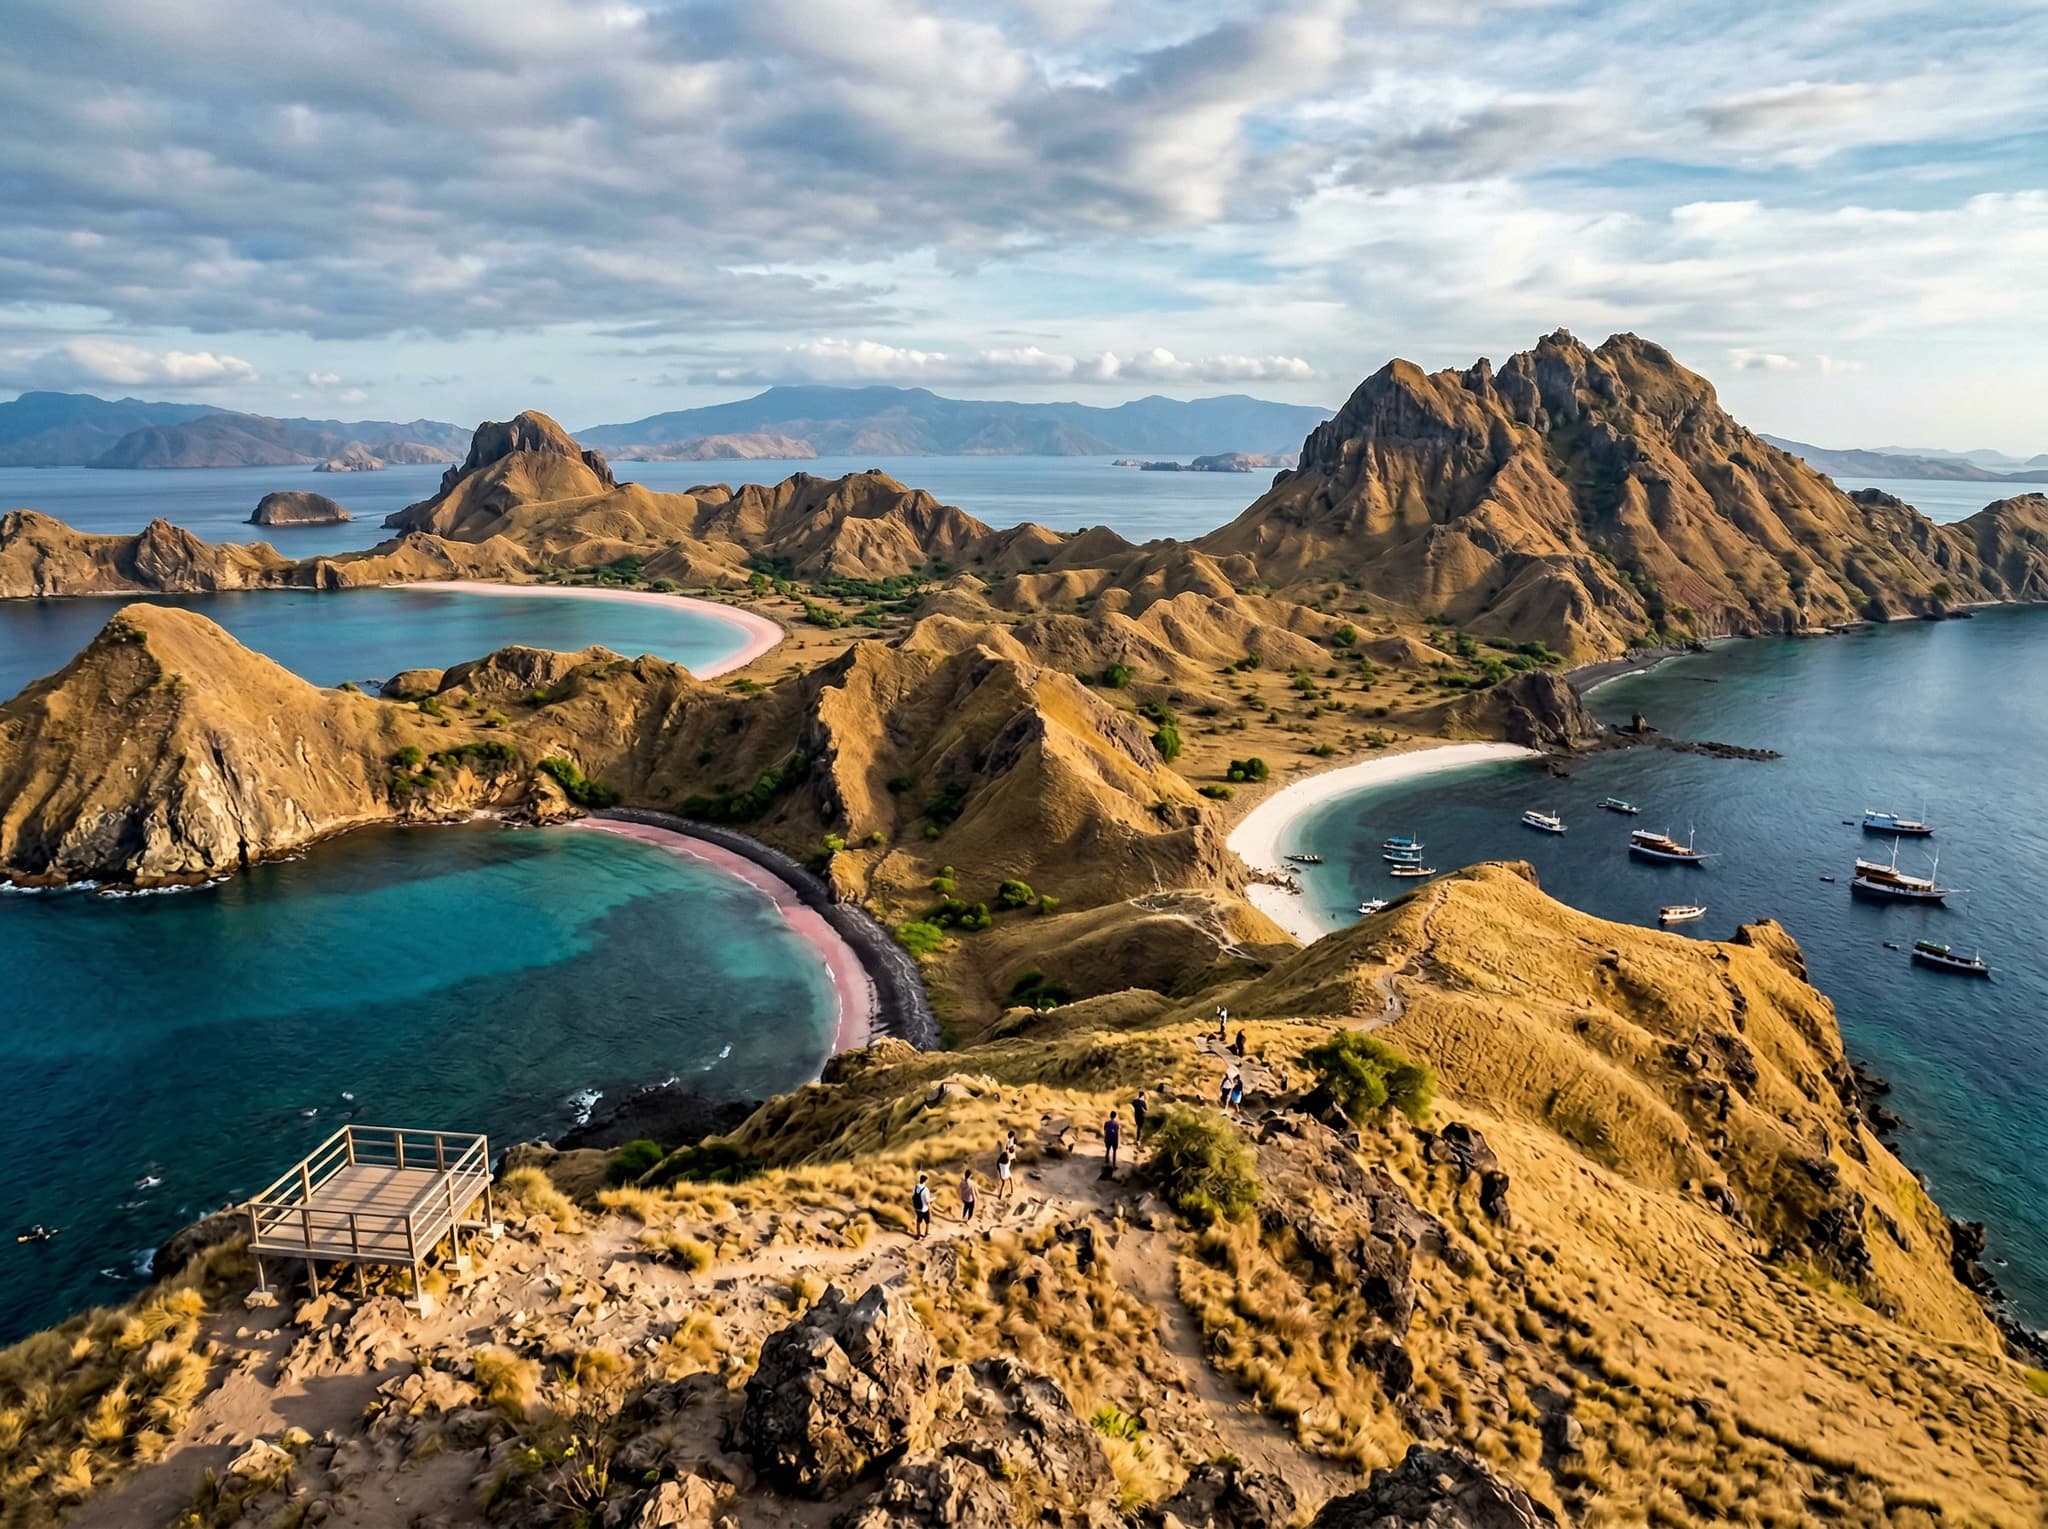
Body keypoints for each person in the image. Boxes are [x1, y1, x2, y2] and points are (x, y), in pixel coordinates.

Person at [911, 1172, 932, 1240]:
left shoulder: (916, 1186)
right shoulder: (926, 1190)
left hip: (917, 1208)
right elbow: (927, 1201)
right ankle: (926, 1234)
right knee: (927, 1222)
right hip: (924, 1208)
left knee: (918, 1222)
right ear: (925, 1181)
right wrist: (930, 1209)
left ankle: (918, 1235)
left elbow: (913, 1195)